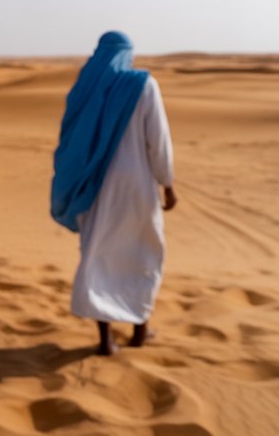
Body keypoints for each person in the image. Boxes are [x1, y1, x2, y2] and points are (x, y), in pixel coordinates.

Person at [50, 31, 176, 356]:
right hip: (138, 185)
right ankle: (139, 330)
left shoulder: (86, 86)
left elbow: (69, 141)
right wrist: (168, 184)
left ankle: (106, 339)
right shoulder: (144, 84)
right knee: (142, 252)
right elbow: (158, 142)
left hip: (93, 184)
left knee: (97, 253)